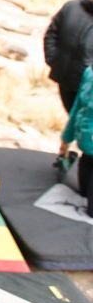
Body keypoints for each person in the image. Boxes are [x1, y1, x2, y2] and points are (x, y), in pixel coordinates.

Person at [44, 0, 93, 112]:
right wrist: (53, 59)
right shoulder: (71, 7)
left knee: (84, 122)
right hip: (65, 77)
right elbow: (52, 33)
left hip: (88, 84)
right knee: (72, 116)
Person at [60, 65, 93, 216]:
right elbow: (77, 107)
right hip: (86, 148)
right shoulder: (89, 73)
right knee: (83, 194)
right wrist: (66, 138)